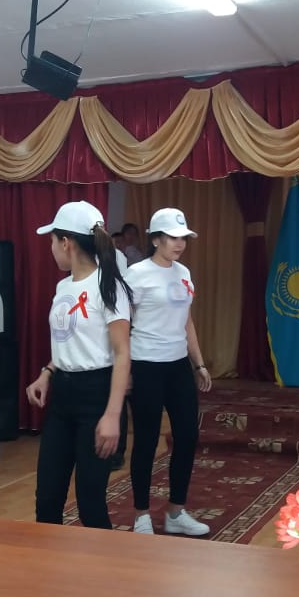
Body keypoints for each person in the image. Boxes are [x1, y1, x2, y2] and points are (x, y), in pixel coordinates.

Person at [27, 201, 132, 529]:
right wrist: (47, 372)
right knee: (47, 499)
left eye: (51, 241)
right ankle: (50, 560)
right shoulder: (63, 287)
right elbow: (69, 342)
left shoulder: (109, 285)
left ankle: (101, 563)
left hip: (97, 396)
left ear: (66, 243)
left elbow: (121, 353)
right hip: (62, 397)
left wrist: (112, 416)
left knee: (90, 502)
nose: (50, 249)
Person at [125, 208, 212, 535]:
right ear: (156, 239)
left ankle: (175, 512)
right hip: (145, 364)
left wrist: (198, 363)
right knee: (146, 441)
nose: (179, 244)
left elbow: (186, 320)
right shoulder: (137, 274)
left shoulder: (184, 273)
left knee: (187, 436)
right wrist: (125, 370)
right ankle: (141, 515)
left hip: (178, 366)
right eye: (173, 238)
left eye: (183, 238)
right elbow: (121, 323)